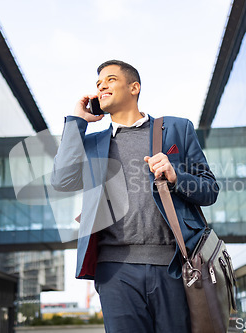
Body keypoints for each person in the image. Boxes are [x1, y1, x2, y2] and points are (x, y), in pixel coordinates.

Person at [51, 60, 219, 332]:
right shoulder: (93, 144)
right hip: (114, 271)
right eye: (97, 83)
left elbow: (210, 190)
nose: (101, 85)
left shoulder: (177, 129)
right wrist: (77, 122)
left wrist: (175, 176)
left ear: (134, 87)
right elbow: (62, 180)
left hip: (173, 267)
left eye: (110, 79)